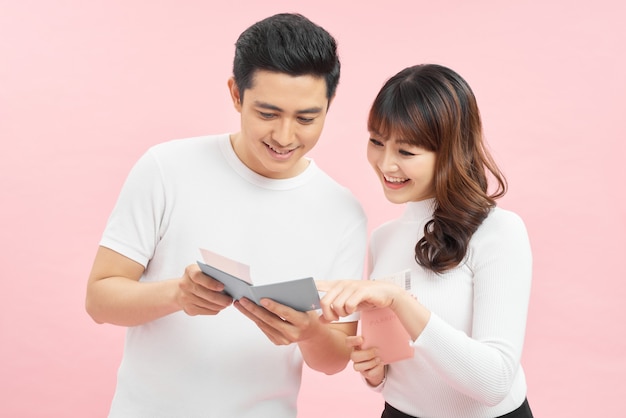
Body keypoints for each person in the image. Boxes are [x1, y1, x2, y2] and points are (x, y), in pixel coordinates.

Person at [85, 13, 367, 418]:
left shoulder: (344, 212)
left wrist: (309, 332)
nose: (285, 137)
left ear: (328, 105)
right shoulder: (166, 168)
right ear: (236, 94)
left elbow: (334, 358)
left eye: (307, 118)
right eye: (267, 114)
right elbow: (99, 299)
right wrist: (177, 295)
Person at [317, 64, 534, 417]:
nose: (386, 163)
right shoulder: (383, 238)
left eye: (406, 152)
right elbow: (405, 372)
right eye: (376, 142)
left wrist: (400, 301)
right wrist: (377, 374)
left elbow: (494, 382)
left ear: (449, 151)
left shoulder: (499, 231)